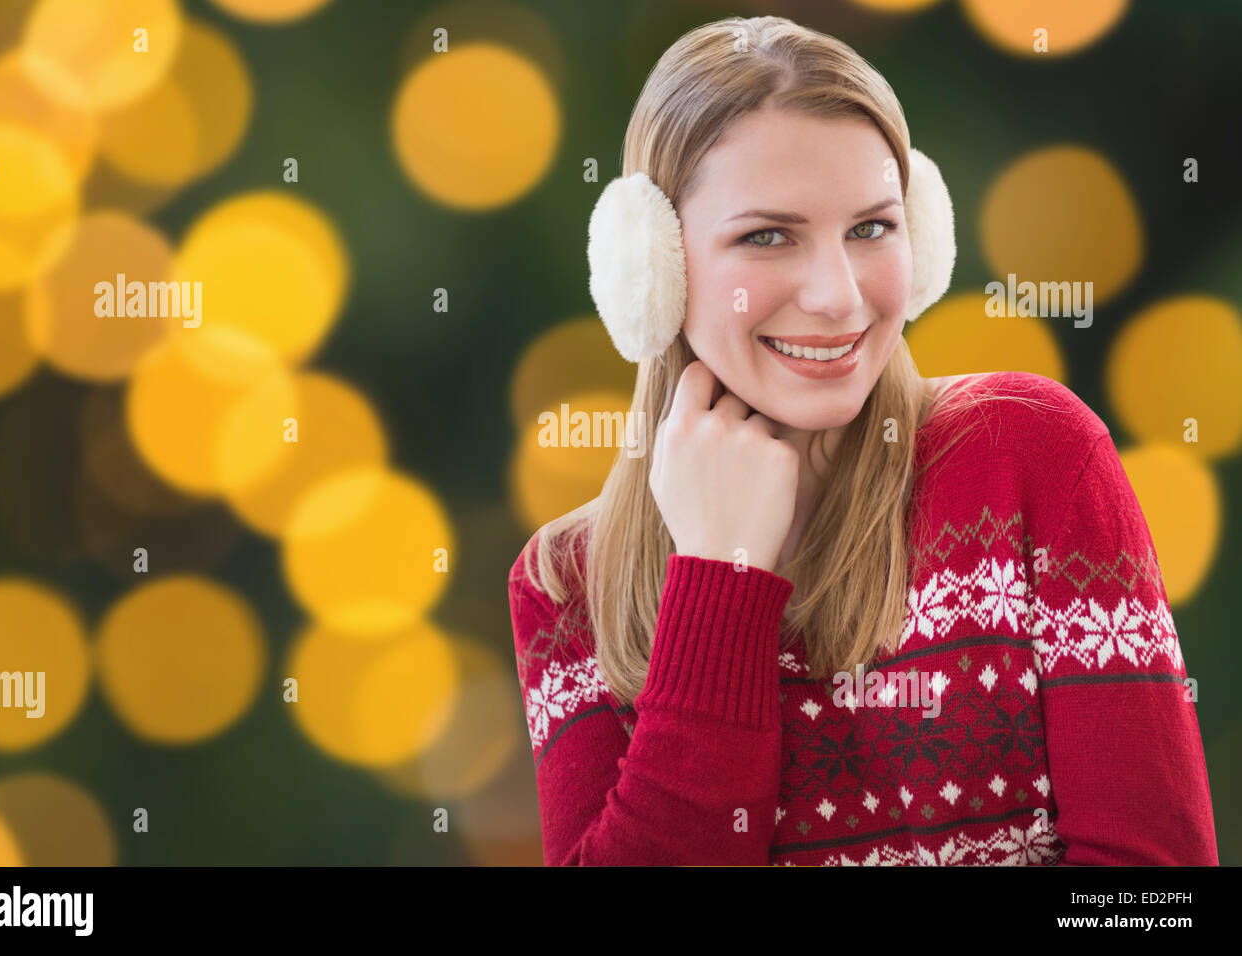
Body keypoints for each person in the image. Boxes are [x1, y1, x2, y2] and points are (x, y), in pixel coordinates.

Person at [508, 15, 1218, 866]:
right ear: (652, 269)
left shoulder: (1032, 458)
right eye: (767, 236)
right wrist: (719, 585)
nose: (839, 297)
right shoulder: (569, 587)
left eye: (872, 228)